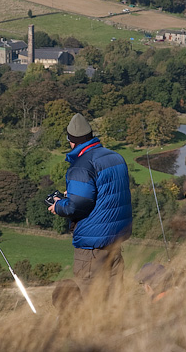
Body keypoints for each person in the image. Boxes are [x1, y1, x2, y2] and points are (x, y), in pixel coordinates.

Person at [48, 113, 132, 300]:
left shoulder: (81, 165)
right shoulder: (115, 157)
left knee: (89, 305)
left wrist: (60, 205)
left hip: (92, 249)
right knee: (114, 303)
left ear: (71, 140)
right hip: (115, 244)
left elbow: (77, 206)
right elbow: (107, 196)